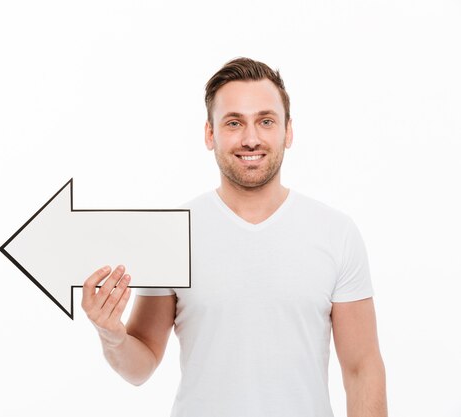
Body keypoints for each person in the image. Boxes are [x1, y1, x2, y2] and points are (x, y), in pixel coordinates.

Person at [81, 57, 388, 417]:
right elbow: (141, 365)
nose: (251, 138)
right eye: (233, 123)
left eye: (266, 121)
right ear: (210, 135)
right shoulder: (173, 232)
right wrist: (112, 335)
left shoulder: (336, 233)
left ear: (288, 131)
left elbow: (362, 368)